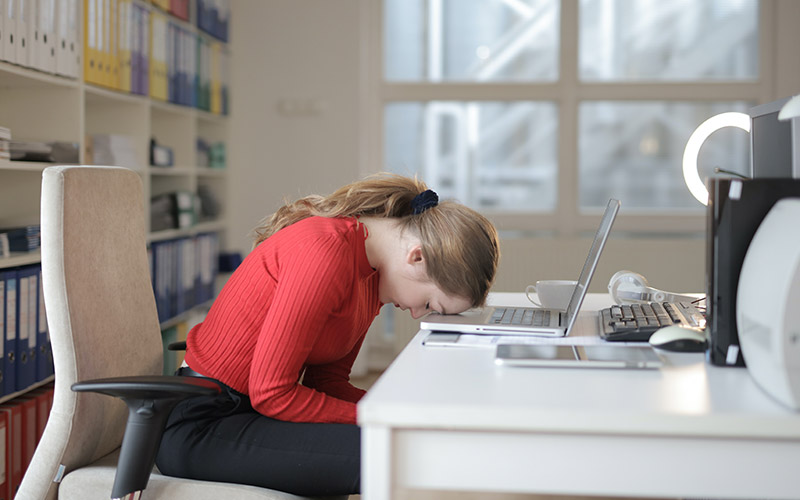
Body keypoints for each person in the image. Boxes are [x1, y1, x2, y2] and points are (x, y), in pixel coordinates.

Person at [155, 173, 500, 496]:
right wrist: (384, 416)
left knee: (399, 443)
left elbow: (328, 383)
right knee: (393, 454)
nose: (417, 313)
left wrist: (403, 411)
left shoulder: (371, 278)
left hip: (250, 415)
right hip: (203, 425)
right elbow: (272, 393)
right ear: (418, 257)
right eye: (429, 303)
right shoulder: (326, 250)